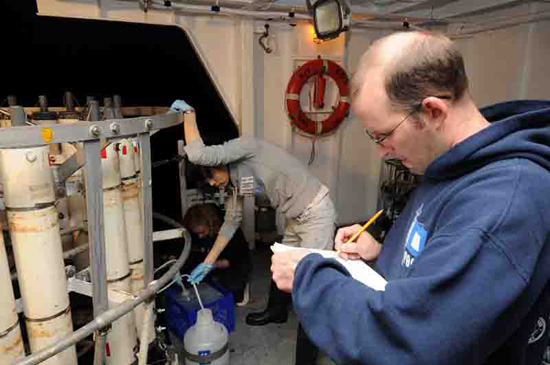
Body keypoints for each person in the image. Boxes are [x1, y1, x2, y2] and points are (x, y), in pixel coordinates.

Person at [270, 30, 550, 364]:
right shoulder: (447, 163)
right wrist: (381, 252)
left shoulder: (503, 201)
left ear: (433, 112)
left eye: (383, 135)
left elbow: (409, 340)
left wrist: (308, 277)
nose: (381, 152)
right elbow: (438, 257)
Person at [171, 99, 337, 364]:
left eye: (211, 176)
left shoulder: (245, 147)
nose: (213, 183)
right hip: (296, 217)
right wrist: (207, 262)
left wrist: (189, 116)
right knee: (281, 263)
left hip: (315, 213)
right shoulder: (235, 181)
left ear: (219, 159)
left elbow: (198, 155)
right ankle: (276, 311)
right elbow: (231, 221)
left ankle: (307, 359)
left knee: (310, 285)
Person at [182, 203, 252, 305]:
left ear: (211, 224)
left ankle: (243, 286)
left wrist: (212, 265)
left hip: (234, 265)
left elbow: (233, 260)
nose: (200, 236)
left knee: (230, 292)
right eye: (197, 233)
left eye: (202, 232)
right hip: (209, 261)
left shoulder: (231, 231)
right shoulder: (197, 231)